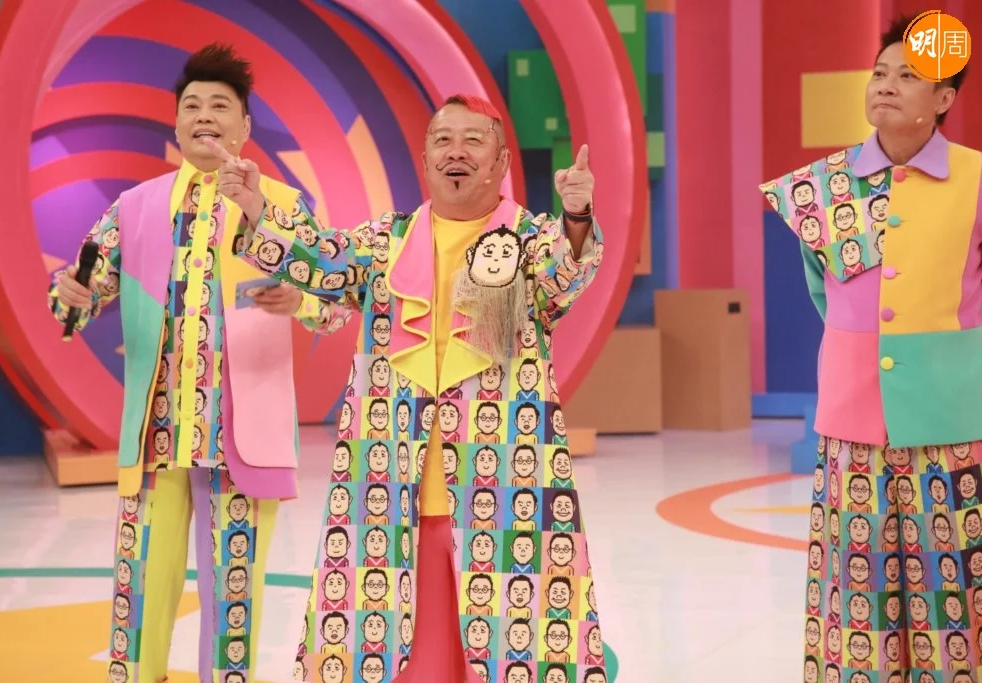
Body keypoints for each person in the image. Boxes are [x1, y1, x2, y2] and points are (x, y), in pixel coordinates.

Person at [206, 93, 608, 682]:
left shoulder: (528, 242)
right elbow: (319, 260)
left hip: (506, 483)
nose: (456, 152)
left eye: (473, 140)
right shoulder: (386, 242)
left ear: (500, 162)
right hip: (390, 487)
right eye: (443, 140)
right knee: (398, 653)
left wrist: (576, 215)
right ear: (424, 160)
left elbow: (565, 275)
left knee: (511, 645)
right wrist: (254, 205)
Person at [49, 44, 350, 683]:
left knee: (234, 603)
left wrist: (300, 300)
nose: (204, 116)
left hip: (243, 436)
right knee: (138, 597)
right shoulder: (133, 207)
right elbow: (80, 293)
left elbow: (334, 304)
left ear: (244, 126)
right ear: (177, 122)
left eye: (220, 105)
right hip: (154, 435)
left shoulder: (282, 205)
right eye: (192, 106)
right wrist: (69, 295)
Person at [759, 16, 979, 683]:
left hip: (951, 422)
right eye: (880, 72)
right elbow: (821, 292)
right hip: (851, 421)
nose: (886, 85)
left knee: (954, 592)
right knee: (856, 598)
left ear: (944, 98)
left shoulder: (975, 179)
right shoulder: (823, 185)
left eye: (908, 75)